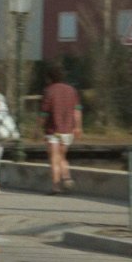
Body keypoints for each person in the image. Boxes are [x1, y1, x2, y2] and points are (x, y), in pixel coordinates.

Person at [36, 65, 82, 195]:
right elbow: (77, 110)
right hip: (68, 129)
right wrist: (78, 127)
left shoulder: (49, 91)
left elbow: (43, 114)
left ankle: (56, 186)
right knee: (62, 156)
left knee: (54, 158)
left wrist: (37, 129)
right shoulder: (72, 90)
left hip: (52, 130)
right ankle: (67, 178)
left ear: (49, 78)